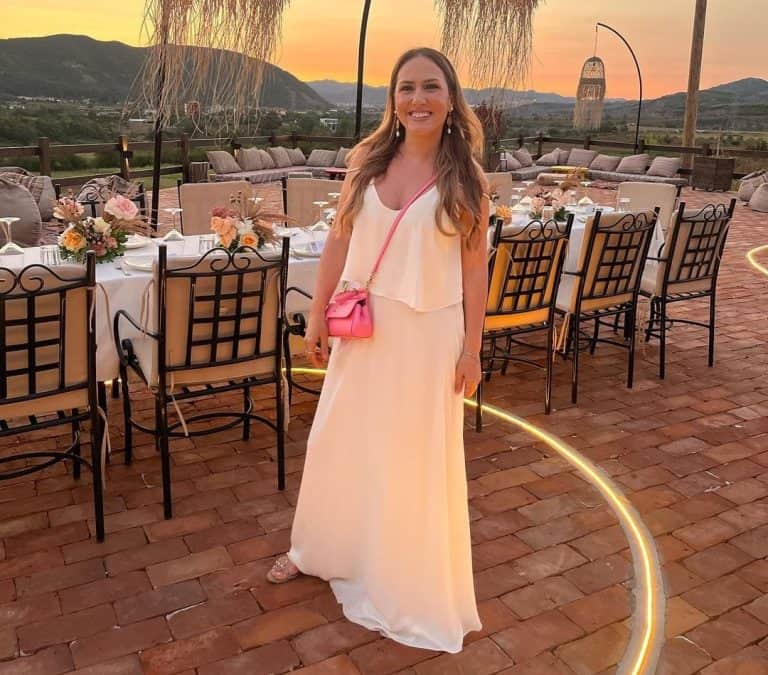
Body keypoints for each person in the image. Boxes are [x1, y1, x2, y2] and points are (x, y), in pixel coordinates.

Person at [266, 46, 489, 654]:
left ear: (451, 99)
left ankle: (400, 575)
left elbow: (475, 271)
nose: (418, 99)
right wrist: (317, 314)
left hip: (428, 335)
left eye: (431, 87)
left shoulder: (466, 179)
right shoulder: (367, 162)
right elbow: (338, 240)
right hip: (363, 327)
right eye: (406, 87)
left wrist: (472, 349)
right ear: (393, 99)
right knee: (340, 438)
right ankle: (319, 550)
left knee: (410, 455)